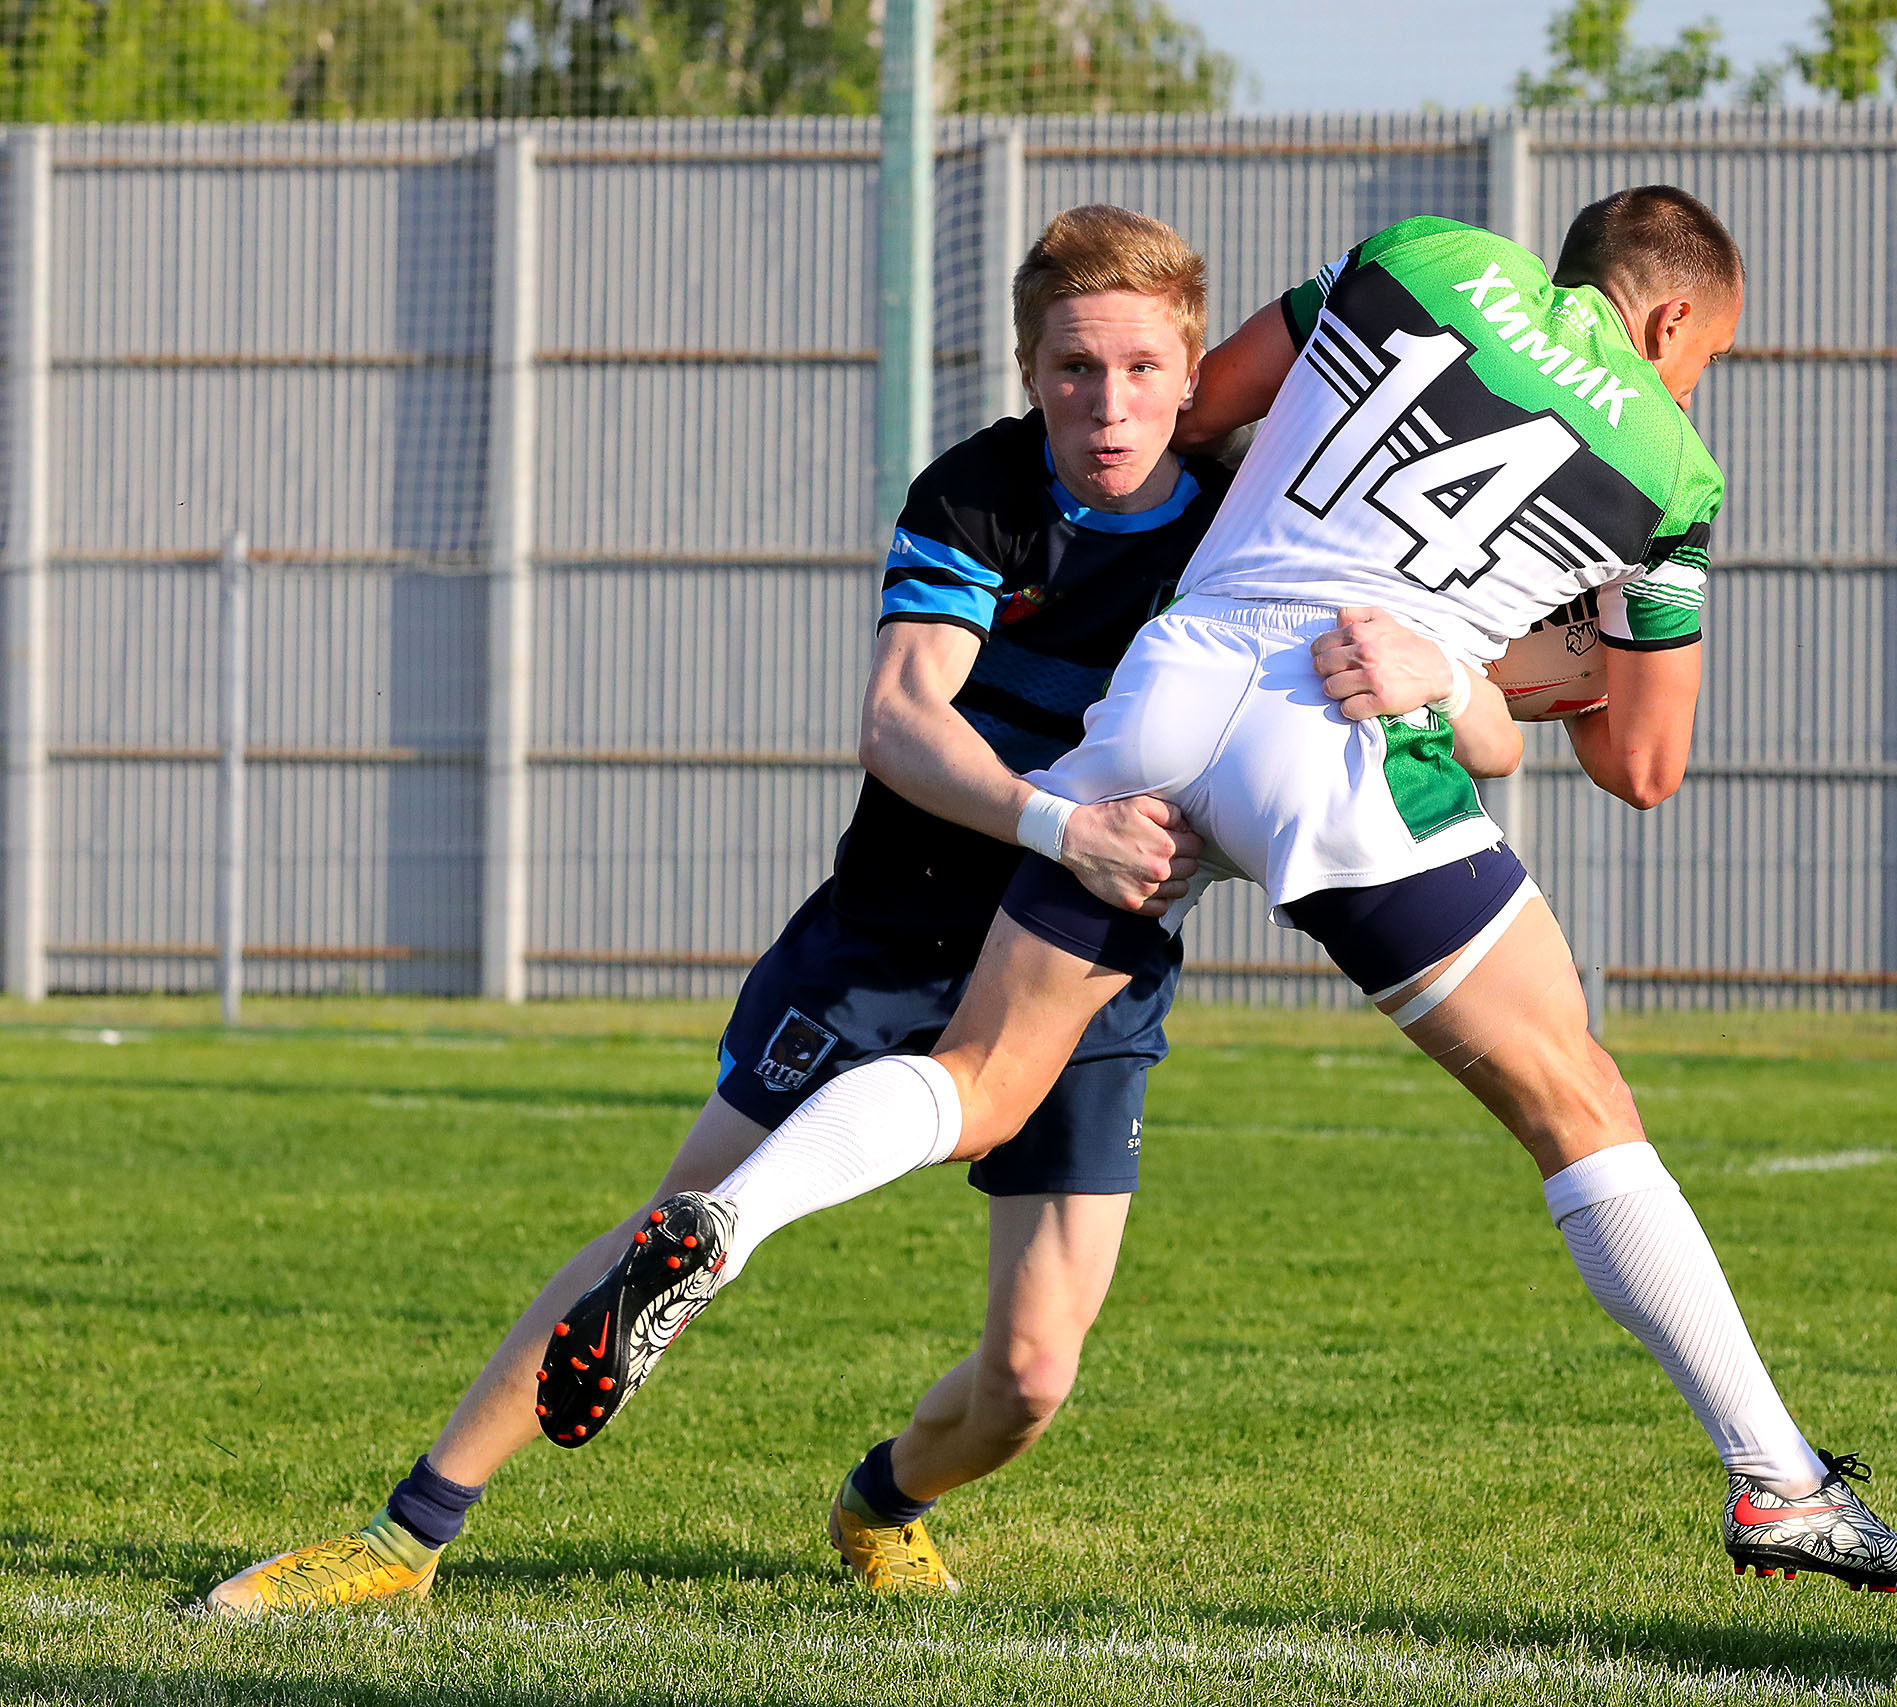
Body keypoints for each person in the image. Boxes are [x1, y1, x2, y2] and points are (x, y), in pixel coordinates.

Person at [547, 187, 1897, 1597]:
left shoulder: (1423, 255)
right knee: (1578, 1102)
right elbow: (1641, 761)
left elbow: (1200, 411)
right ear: (1671, 319)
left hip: (1173, 684)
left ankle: (731, 1226)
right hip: (1345, 740)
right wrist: (1466, 663)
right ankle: (1776, 1481)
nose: (1689, 383)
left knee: (979, 1074)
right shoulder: (1675, 469)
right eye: (1700, 358)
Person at [205, 204, 1504, 1616]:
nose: (1108, 402)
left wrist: (1440, 670)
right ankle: (406, 1539)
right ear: (1028, 370)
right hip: (897, 931)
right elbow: (899, 717)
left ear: (1197, 372)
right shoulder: (979, 493)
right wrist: (1066, 827)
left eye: (1141, 368)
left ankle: (883, 1500)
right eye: (1075, 367)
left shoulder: (1260, 513)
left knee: (1030, 1379)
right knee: (681, 1230)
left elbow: (1494, 735)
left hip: (1089, 969)